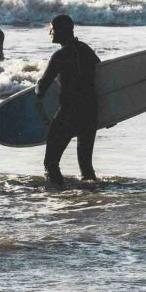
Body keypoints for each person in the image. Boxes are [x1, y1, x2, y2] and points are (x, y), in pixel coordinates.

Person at [35, 14, 100, 185]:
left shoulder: (59, 56)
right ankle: (91, 198)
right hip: (90, 112)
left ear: (61, 31)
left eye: (52, 29)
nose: (50, 32)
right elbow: (103, 77)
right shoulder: (86, 50)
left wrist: (37, 87)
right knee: (86, 165)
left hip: (69, 113)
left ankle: (60, 195)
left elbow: (41, 90)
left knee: (51, 162)